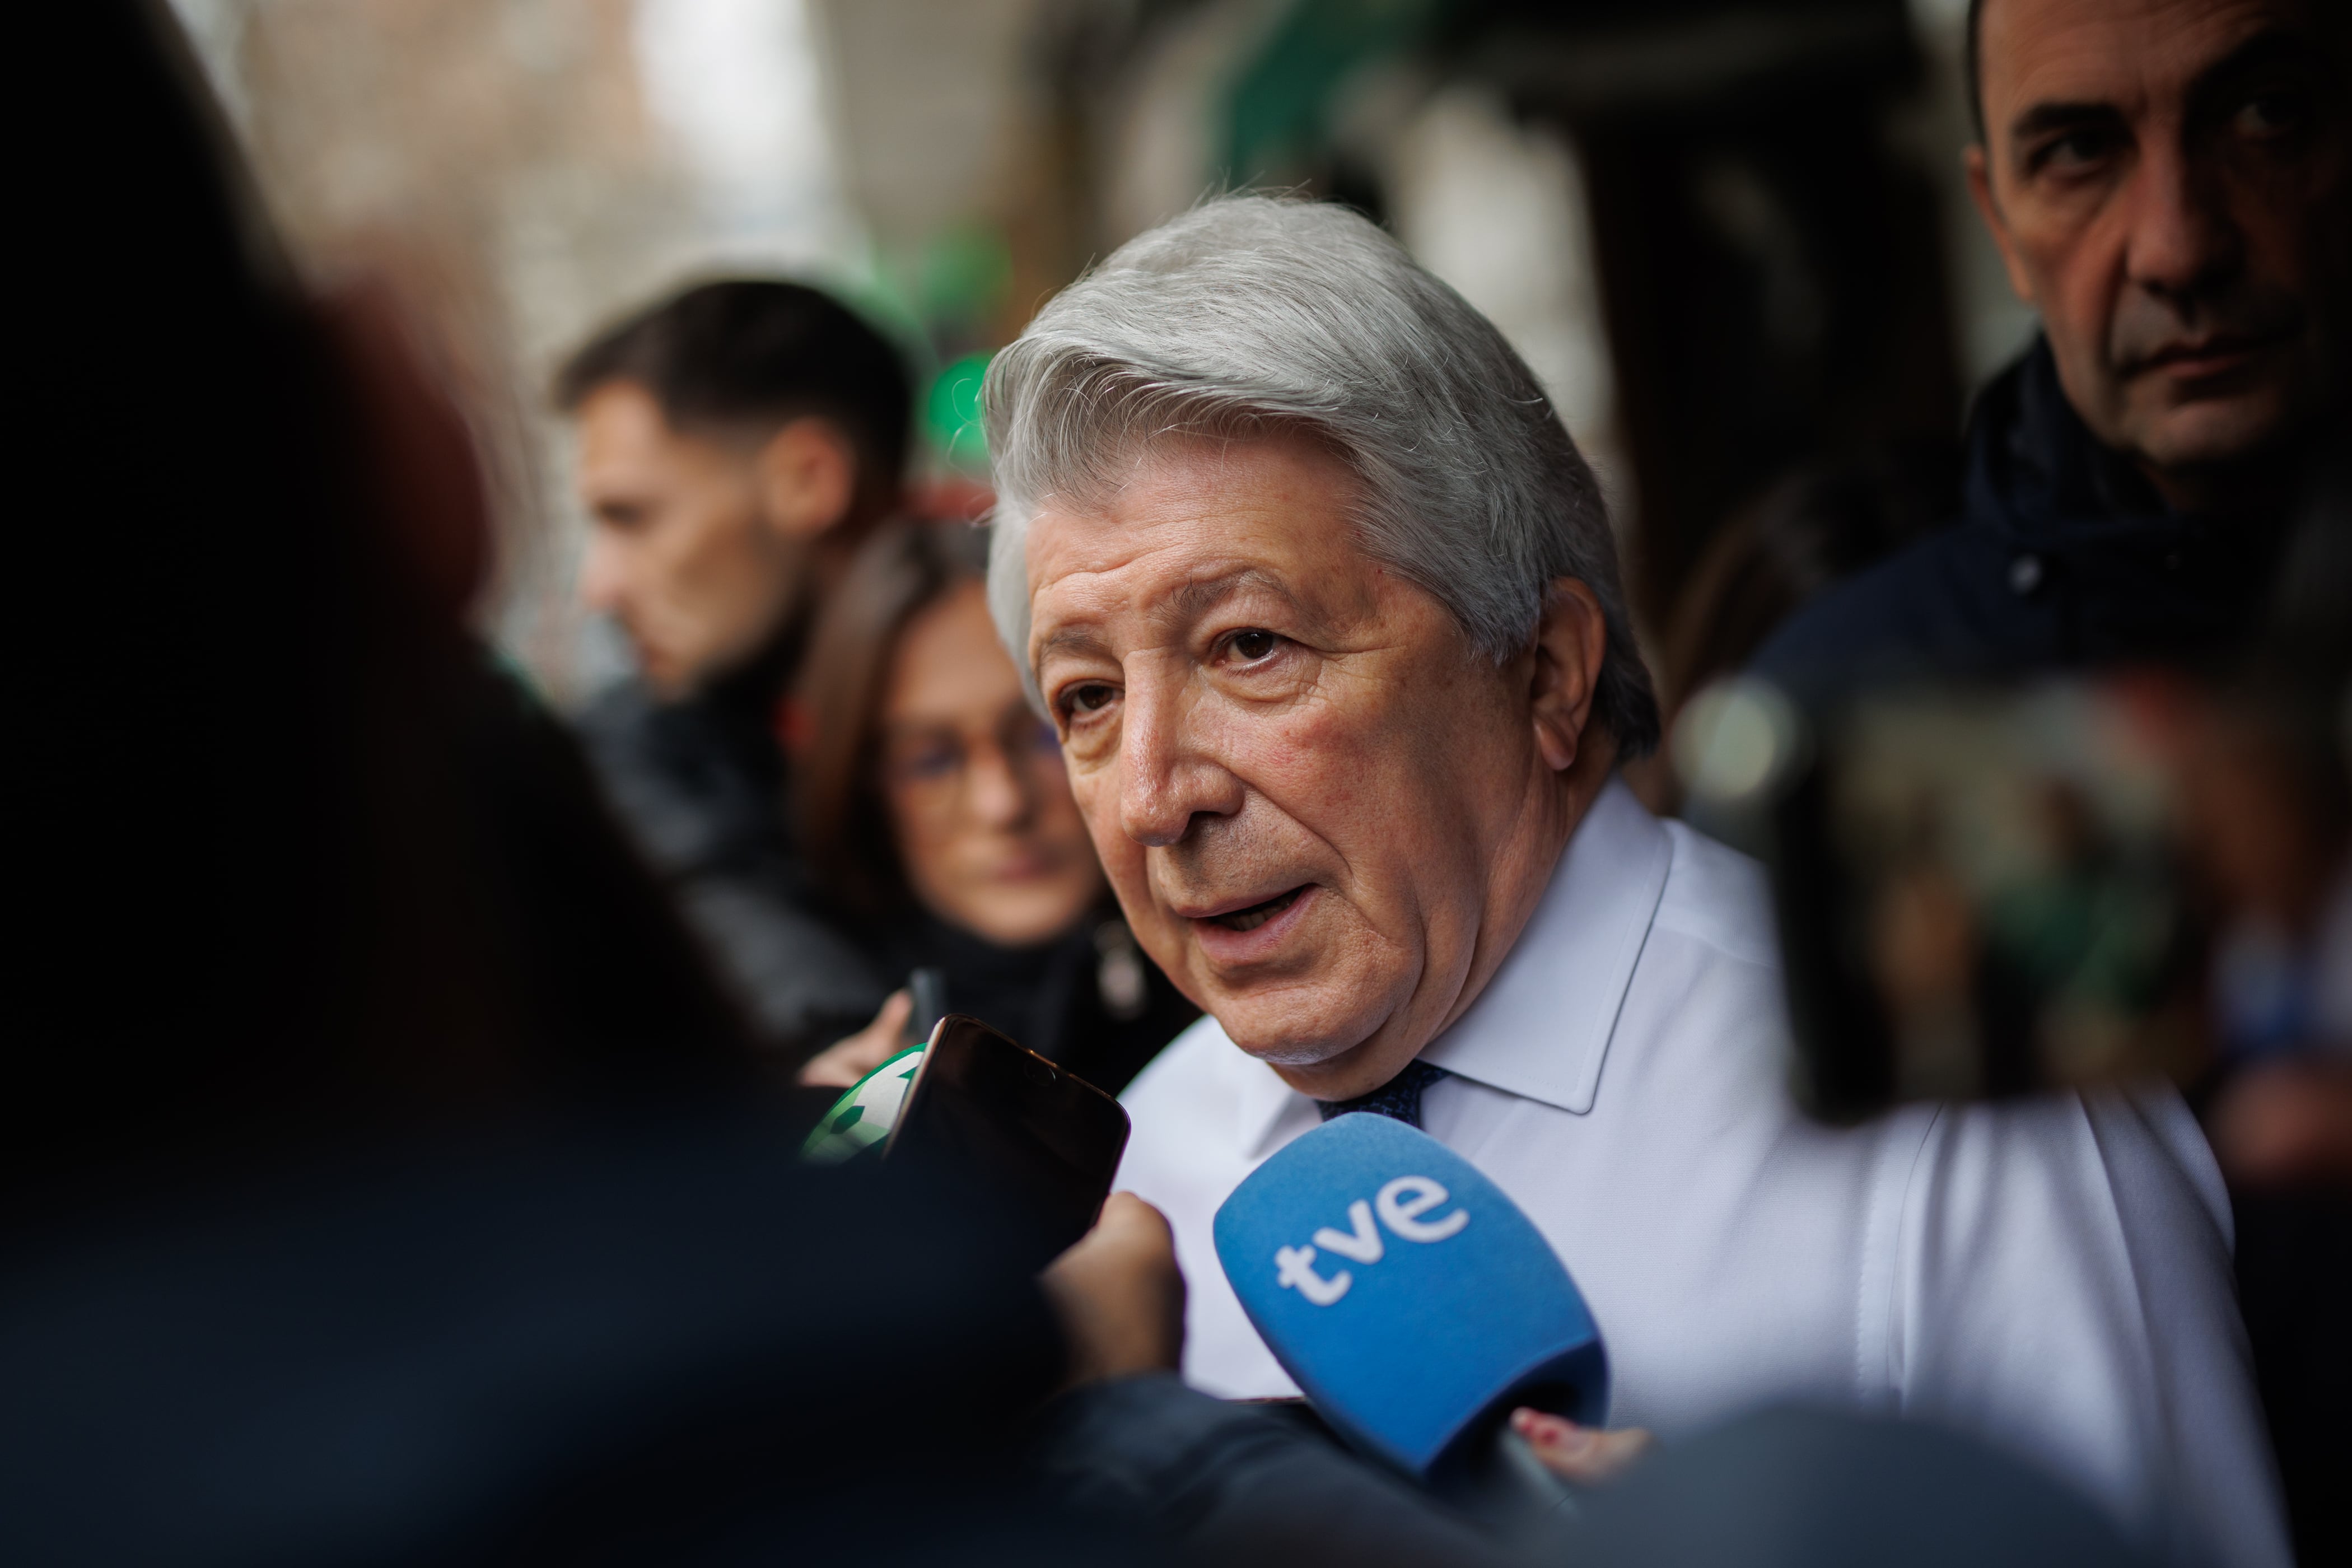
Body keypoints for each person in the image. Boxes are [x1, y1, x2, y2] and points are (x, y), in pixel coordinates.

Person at [983, 194, 2289, 1567]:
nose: (1152, 796)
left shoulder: (1958, 1111)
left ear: (1547, 673)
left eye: (1250, 646)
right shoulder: (1127, 1206)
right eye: (1084, 699)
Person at [1752, 0, 2347, 707]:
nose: (2178, 251)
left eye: (2264, 114)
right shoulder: (1838, 710)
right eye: (2078, 152)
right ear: (2000, 224)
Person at [554, 280, 913, 1054]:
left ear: (809, 480)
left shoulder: (1051, 674)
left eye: (633, 517)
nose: (598, 588)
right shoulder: (641, 761)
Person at [786, 521, 1195, 1093]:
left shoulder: (1242, 998)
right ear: (865, 794)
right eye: (931, 761)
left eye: (1038, 733)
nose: (1002, 803)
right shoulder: (825, 1053)